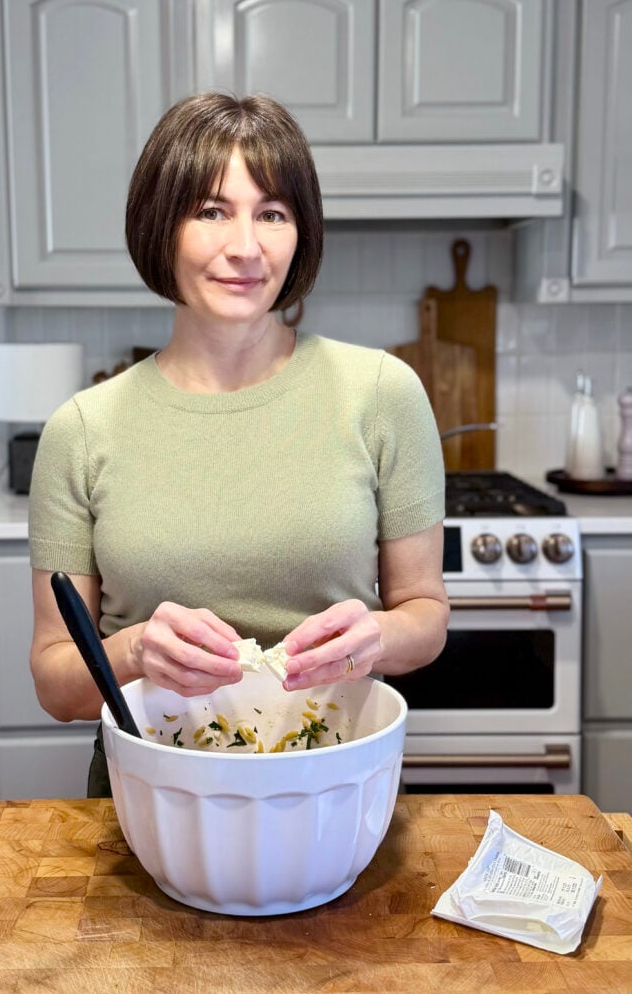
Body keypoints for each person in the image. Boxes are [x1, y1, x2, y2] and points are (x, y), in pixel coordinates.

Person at [28, 91, 450, 796]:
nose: (246, 247)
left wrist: (377, 636)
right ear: (161, 226)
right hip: (152, 795)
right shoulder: (81, 428)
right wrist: (135, 650)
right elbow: (54, 681)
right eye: (211, 210)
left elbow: (424, 616)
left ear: (300, 233)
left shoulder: (382, 393)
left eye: (273, 213)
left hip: (329, 784)